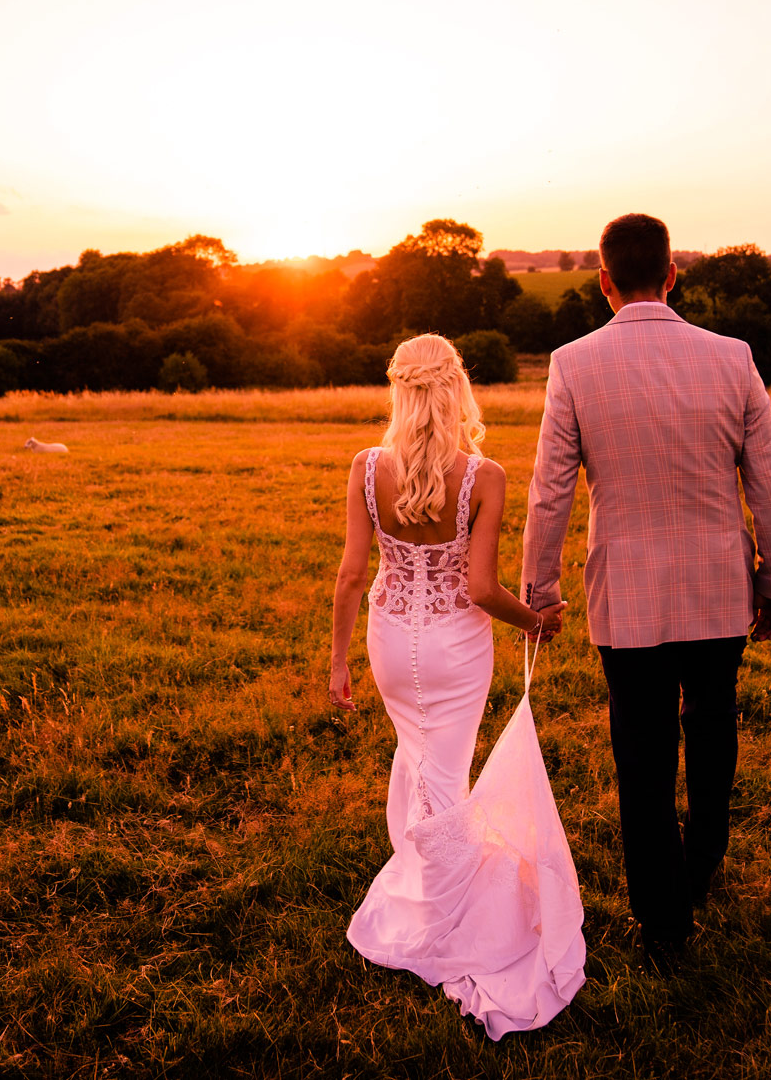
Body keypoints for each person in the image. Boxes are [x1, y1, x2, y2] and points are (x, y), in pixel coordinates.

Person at [521, 212, 771, 970]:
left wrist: (539, 592)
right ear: (673, 274)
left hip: (628, 601)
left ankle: (664, 923)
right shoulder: (733, 357)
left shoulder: (573, 362)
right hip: (718, 595)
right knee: (713, 733)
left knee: (641, 757)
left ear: (604, 281)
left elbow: (550, 493)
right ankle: (701, 865)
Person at [329, 333, 584, 1038]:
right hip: (455, 649)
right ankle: (440, 920)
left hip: (386, 639)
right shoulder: (484, 474)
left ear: (400, 389)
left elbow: (353, 573)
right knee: (443, 774)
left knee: (419, 764)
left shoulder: (365, 466)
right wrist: (534, 620)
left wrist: (339, 661)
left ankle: (420, 883)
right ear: (455, 389)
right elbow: (478, 587)